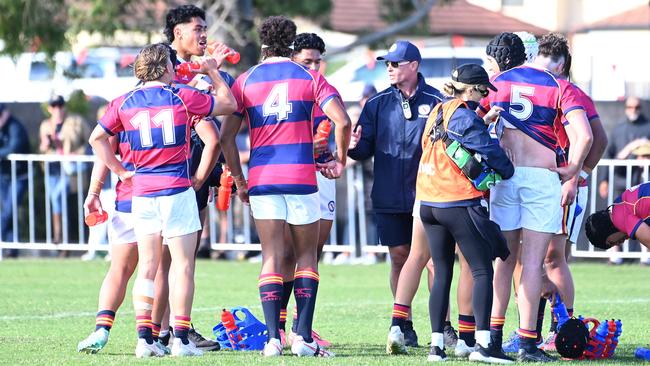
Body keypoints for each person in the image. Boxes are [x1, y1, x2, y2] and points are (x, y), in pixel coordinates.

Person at [88, 43, 235, 357]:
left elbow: (96, 139)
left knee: (148, 269)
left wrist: (121, 171)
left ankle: (145, 341)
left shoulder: (123, 102)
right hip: (176, 189)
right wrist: (212, 71)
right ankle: (180, 339)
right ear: (166, 67)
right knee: (181, 266)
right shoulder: (181, 96)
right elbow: (228, 103)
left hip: (142, 193)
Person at [219, 16, 351, 358]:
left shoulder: (245, 80)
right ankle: (303, 338)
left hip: (262, 177)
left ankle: (273, 340)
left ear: (262, 42)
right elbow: (343, 120)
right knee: (307, 256)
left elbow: (226, 138)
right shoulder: (310, 76)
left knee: (272, 257)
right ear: (291, 44)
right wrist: (339, 160)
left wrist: (239, 180)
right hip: (301, 177)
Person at [479, 32, 593, 362]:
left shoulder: (499, 81)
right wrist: (573, 169)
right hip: (542, 177)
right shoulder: (558, 85)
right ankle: (529, 342)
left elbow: (475, 121)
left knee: (503, 261)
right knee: (533, 263)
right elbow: (583, 135)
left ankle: (494, 338)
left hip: (506, 176)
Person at [412, 63, 514, 363]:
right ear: (472, 89)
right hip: (456, 202)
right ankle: (484, 346)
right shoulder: (467, 117)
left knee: (442, 271)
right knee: (483, 270)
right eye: (483, 91)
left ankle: (436, 347)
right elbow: (496, 159)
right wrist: (504, 162)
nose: (485, 97)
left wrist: (480, 119)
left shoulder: (437, 110)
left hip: (428, 203)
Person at [347, 40, 443, 345]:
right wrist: (352, 147)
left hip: (428, 193)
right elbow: (363, 149)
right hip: (388, 193)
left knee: (432, 261)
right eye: (387, 63)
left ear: (413, 66)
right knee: (400, 258)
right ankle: (404, 324)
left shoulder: (437, 100)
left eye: (395, 63)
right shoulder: (376, 104)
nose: (388, 68)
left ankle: (444, 326)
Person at [158, 4, 235, 351]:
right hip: (173, 169)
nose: (204, 34)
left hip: (195, 164)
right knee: (165, 260)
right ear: (178, 32)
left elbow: (225, 101)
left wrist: (214, 72)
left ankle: (172, 329)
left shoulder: (199, 64)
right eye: (198, 28)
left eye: (205, 28)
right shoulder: (161, 61)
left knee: (182, 257)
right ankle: (163, 332)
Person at [280, 32, 338, 348]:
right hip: (292, 177)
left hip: (322, 177)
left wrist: (338, 156)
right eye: (307, 61)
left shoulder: (325, 88)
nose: (313, 67)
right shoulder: (287, 88)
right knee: (286, 252)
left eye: (317, 61)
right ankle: (278, 325)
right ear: (293, 60)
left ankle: (303, 326)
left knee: (314, 252)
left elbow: (337, 128)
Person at [598, 96, 649, 264]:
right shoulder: (619, 129)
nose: (633, 110)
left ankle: (645, 255)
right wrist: (604, 180)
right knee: (616, 217)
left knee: (644, 217)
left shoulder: (647, 127)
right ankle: (615, 255)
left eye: (636, 107)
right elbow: (609, 154)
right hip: (620, 180)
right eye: (630, 106)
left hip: (641, 180)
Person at [39, 95, 91, 247]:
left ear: (64, 107)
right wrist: (45, 146)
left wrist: (77, 154)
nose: (57, 109)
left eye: (60, 105)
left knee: (57, 197)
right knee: (57, 202)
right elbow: (42, 150)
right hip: (52, 169)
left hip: (71, 170)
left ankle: (60, 237)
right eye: (54, 106)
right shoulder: (45, 125)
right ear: (49, 108)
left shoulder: (76, 121)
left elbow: (90, 143)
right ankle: (62, 241)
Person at [0, 103, 30, 257]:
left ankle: (3, 242)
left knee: (8, 212)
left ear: (6, 113)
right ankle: (12, 250)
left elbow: (14, 147)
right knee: (8, 213)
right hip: (4, 177)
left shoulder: (15, 127)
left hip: (19, 177)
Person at [586, 181, 650, 251]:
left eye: (611, 243)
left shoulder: (620, 219)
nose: (618, 244)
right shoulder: (618, 204)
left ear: (604, 231)